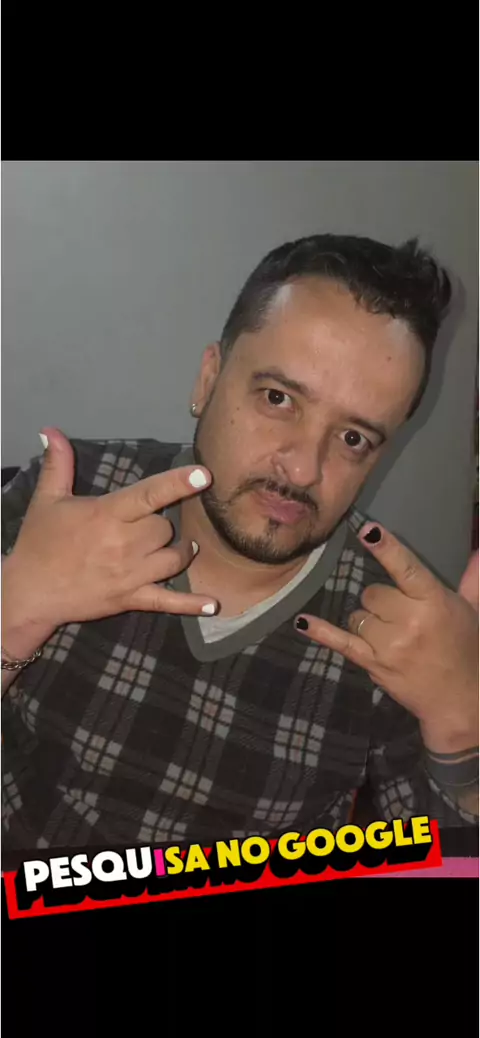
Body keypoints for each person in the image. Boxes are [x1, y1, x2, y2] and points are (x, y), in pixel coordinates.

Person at [2, 233, 478, 860]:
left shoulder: (389, 626)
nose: (303, 468)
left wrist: (464, 722)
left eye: (354, 438)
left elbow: (444, 865)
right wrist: (14, 614)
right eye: (279, 399)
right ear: (209, 379)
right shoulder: (68, 499)